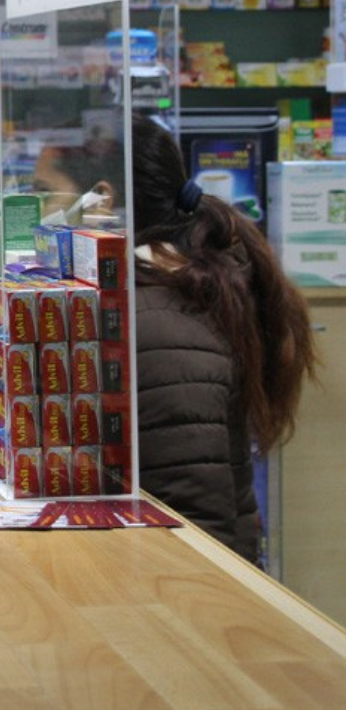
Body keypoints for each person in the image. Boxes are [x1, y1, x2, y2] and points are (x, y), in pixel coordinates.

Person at [129, 116, 317, 564]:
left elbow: (196, 520)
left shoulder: (162, 323)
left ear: (104, 198)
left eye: (46, 190)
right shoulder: (156, 297)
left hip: (193, 583)